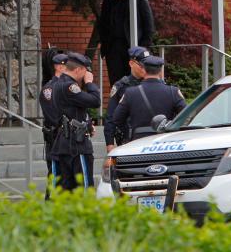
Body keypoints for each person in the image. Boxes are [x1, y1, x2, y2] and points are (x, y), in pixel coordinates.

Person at [49, 52, 101, 190]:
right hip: (75, 144)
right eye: (85, 71)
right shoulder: (69, 86)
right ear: (78, 70)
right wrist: (89, 83)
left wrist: (88, 124)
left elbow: (74, 110)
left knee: (67, 190)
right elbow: (95, 101)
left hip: (64, 142)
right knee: (84, 188)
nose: (87, 74)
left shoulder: (57, 84)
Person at [111, 56, 187, 145]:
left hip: (138, 141)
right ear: (160, 71)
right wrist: (171, 128)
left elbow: (117, 119)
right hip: (165, 140)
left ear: (143, 69)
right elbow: (186, 115)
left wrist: (130, 131)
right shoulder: (173, 92)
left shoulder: (130, 93)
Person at [98, 0, 155, 85]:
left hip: (133, 47)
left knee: (135, 81)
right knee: (116, 82)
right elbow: (103, 25)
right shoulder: (108, 1)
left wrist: (143, 48)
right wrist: (104, 45)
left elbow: (148, 24)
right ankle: (118, 102)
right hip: (113, 48)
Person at [104, 46, 150, 152]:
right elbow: (110, 116)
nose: (145, 69)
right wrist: (109, 143)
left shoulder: (154, 84)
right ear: (131, 64)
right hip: (128, 139)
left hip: (150, 137)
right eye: (142, 65)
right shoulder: (121, 86)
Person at [39, 52, 68, 179]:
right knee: (56, 175)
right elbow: (52, 115)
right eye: (67, 66)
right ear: (59, 67)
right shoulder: (49, 89)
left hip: (68, 139)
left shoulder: (67, 86)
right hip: (56, 137)